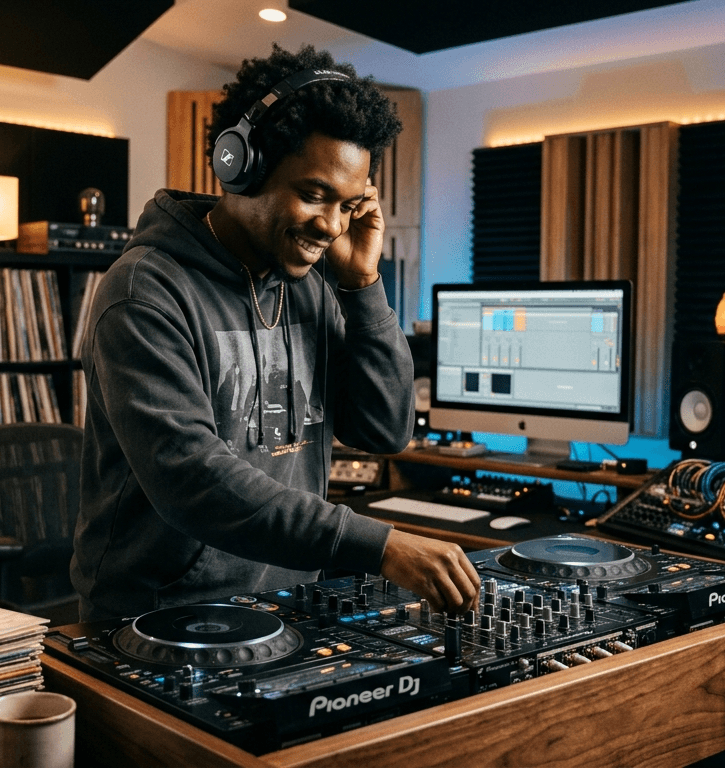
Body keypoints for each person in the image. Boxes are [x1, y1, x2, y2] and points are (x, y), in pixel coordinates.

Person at [70, 44, 479, 621]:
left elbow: (386, 429)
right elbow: (190, 477)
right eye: (313, 195)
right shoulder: (144, 292)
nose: (332, 225)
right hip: (159, 615)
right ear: (242, 167)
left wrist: (363, 286)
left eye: (349, 205)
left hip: (286, 603)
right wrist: (378, 545)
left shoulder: (313, 283)